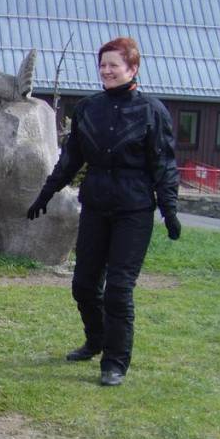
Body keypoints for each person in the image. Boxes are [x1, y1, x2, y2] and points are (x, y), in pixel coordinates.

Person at [27, 36, 180, 387]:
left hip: (133, 210)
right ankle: (95, 340)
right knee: (83, 284)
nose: (107, 71)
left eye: (114, 65)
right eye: (103, 65)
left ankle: (115, 362)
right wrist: (45, 194)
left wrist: (169, 210)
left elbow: (164, 164)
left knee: (118, 290)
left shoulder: (152, 111)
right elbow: (70, 159)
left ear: (133, 68)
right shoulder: (88, 109)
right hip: (96, 206)